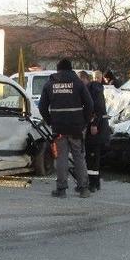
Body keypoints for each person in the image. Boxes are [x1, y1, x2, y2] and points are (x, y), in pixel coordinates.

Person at [39, 58, 93, 198]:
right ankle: (83, 189)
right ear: (71, 69)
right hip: (76, 127)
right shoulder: (78, 83)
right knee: (79, 157)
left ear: (58, 70)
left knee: (61, 158)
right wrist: (85, 121)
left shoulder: (50, 84)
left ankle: (61, 189)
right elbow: (90, 104)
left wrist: (50, 121)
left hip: (59, 128)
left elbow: (42, 107)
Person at [78, 70, 109, 192]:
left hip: (97, 129)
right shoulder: (90, 89)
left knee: (92, 157)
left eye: (79, 80)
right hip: (95, 127)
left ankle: (93, 184)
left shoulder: (93, 89)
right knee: (91, 157)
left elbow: (98, 107)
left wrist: (94, 123)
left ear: (85, 79)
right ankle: (94, 183)